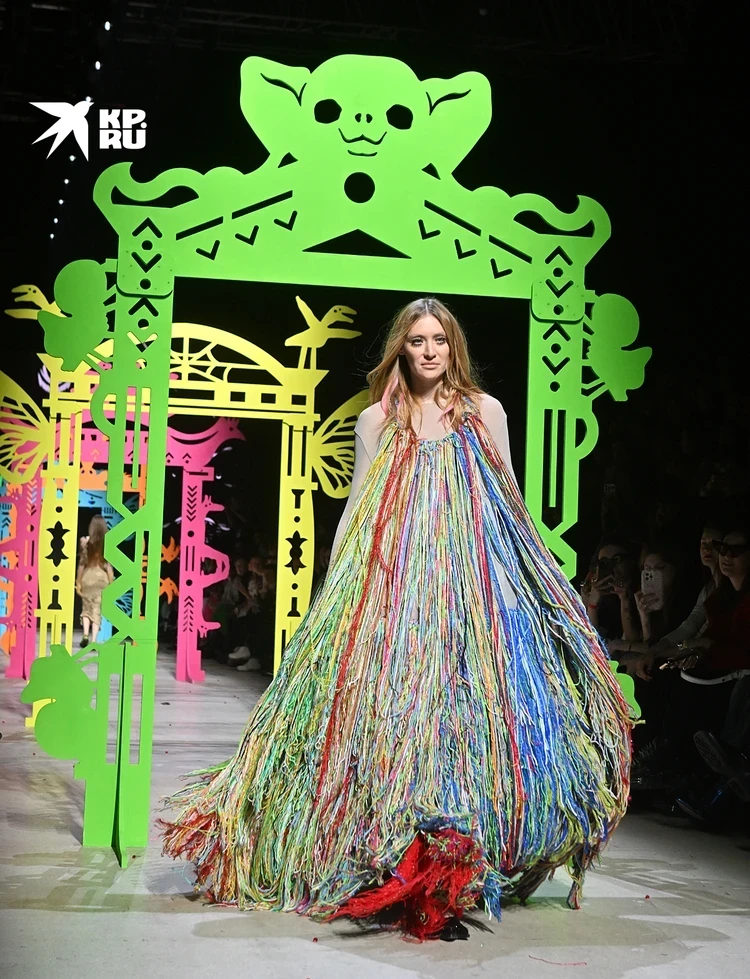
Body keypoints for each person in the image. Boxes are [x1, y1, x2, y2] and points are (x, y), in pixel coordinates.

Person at [161, 297, 631, 942]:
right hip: (395, 591)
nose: (430, 351)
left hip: (469, 596)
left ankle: (452, 869)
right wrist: (336, 591)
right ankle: (400, 860)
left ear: (454, 346)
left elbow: (510, 505)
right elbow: (357, 507)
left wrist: (532, 584)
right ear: (401, 349)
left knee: (464, 721)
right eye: (417, 340)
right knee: (398, 719)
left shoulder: (485, 412)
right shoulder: (378, 419)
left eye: (439, 339)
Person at [75, 515, 113, 646]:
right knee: (97, 610)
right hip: (101, 579)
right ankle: (94, 640)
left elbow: (81, 564)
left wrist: (78, 582)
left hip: (87, 577)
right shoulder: (107, 543)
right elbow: (108, 566)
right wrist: (111, 581)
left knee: (86, 608)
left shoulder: (84, 541)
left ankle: (85, 635)